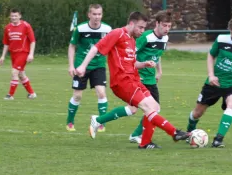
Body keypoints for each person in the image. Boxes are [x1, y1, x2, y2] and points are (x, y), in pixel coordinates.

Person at [75, 11, 190, 149]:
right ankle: (174, 132)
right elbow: (96, 48)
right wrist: (82, 66)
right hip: (122, 81)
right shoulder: (117, 33)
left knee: (154, 107)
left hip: (134, 79)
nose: (142, 31)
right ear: (131, 23)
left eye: (143, 28)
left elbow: (132, 64)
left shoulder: (131, 40)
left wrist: (145, 64)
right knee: (147, 108)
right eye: (140, 27)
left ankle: (145, 143)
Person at [186, 16, 232, 148]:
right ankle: (189, 132)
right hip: (214, 83)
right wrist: (211, 75)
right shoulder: (221, 39)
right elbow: (211, 55)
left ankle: (218, 139)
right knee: (197, 113)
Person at [66, 4, 112, 132]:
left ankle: (101, 122)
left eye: (99, 14)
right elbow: (72, 46)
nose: (97, 17)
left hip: (99, 65)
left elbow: (112, 47)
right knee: (77, 96)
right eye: (94, 14)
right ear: (89, 15)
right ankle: (70, 121)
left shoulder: (107, 29)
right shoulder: (80, 28)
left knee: (101, 93)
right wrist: (71, 65)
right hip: (81, 66)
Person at [129, 11, 172, 144]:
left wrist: (159, 71)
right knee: (139, 109)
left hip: (151, 79)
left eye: (169, 26)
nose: (166, 29)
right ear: (157, 23)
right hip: (139, 78)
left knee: (152, 108)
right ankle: (139, 135)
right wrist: (135, 71)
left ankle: (138, 135)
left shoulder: (165, 39)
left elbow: (157, 56)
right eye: (164, 25)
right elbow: (131, 54)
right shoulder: (146, 37)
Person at [0, 8, 36, 100]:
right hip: (13, 54)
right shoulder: (7, 28)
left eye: (16, 16)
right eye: (12, 16)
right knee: (21, 74)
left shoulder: (26, 26)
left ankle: (10, 95)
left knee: (14, 72)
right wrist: (3, 56)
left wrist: (31, 54)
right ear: (10, 17)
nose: (14, 17)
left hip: (23, 52)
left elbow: (32, 41)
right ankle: (32, 94)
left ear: (20, 16)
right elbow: (6, 43)